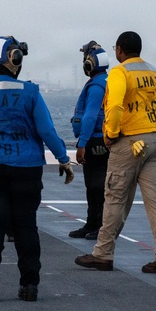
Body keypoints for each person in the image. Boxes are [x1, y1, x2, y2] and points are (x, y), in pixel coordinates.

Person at [0, 36, 74, 303]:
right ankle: (29, 287)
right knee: (26, 226)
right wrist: (63, 158)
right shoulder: (30, 92)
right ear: (15, 60)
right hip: (27, 167)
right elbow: (46, 130)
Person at [75, 31, 156, 274]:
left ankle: (103, 254)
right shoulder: (155, 72)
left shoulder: (120, 72)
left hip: (129, 143)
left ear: (119, 51)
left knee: (115, 196)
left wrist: (112, 134)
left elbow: (114, 105)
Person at [68, 41, 111, 240]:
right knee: (94, 185)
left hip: (95, 141)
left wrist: (82, 143)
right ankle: (92, 224)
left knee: (96, 186)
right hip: (99, 140)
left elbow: (91, 115)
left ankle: (98, 226)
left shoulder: (96, 85)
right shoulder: (103, 81)